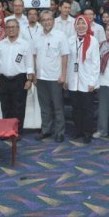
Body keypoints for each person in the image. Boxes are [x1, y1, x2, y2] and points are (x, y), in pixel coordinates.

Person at [33, 10, 70, 142]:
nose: (47, 22)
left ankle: (59, 132)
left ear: (53, 21)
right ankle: (46, 130)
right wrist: (34, 74)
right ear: (41, 22)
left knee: (58, 107)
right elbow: (34, 56)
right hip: (41, 77)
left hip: (55, 77)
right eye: (44, 20)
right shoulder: (37, 36)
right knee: (44, 106)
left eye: (49, 19)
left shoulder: (61, 36)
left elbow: (65, 56)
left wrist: (64, 75)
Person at [0, 18, 35, 132]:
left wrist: (29, 80)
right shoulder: (1, 44)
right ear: (5, 30)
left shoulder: (25, 44)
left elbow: (29, 64)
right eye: (8, 27)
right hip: (4, 80)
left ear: (18, 29)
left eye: (13, 27)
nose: (10, 29)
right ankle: (6, 130)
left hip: (19, 79)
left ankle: (17, 131)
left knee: (19, 108)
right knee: (5, 107)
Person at [65, 15, 99, 143]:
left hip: (87, 81)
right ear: (75, 26)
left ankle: (87, 133)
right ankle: (78, 130)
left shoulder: (93, 41)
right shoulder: (69, 40)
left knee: (87, 109)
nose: (80, 26)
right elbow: (67, 61)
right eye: (78, 23)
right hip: (73, 81)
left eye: (83, 23)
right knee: (76, 108)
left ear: (87, 25)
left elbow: (96, 63)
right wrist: (67, 80)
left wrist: (93, 82)